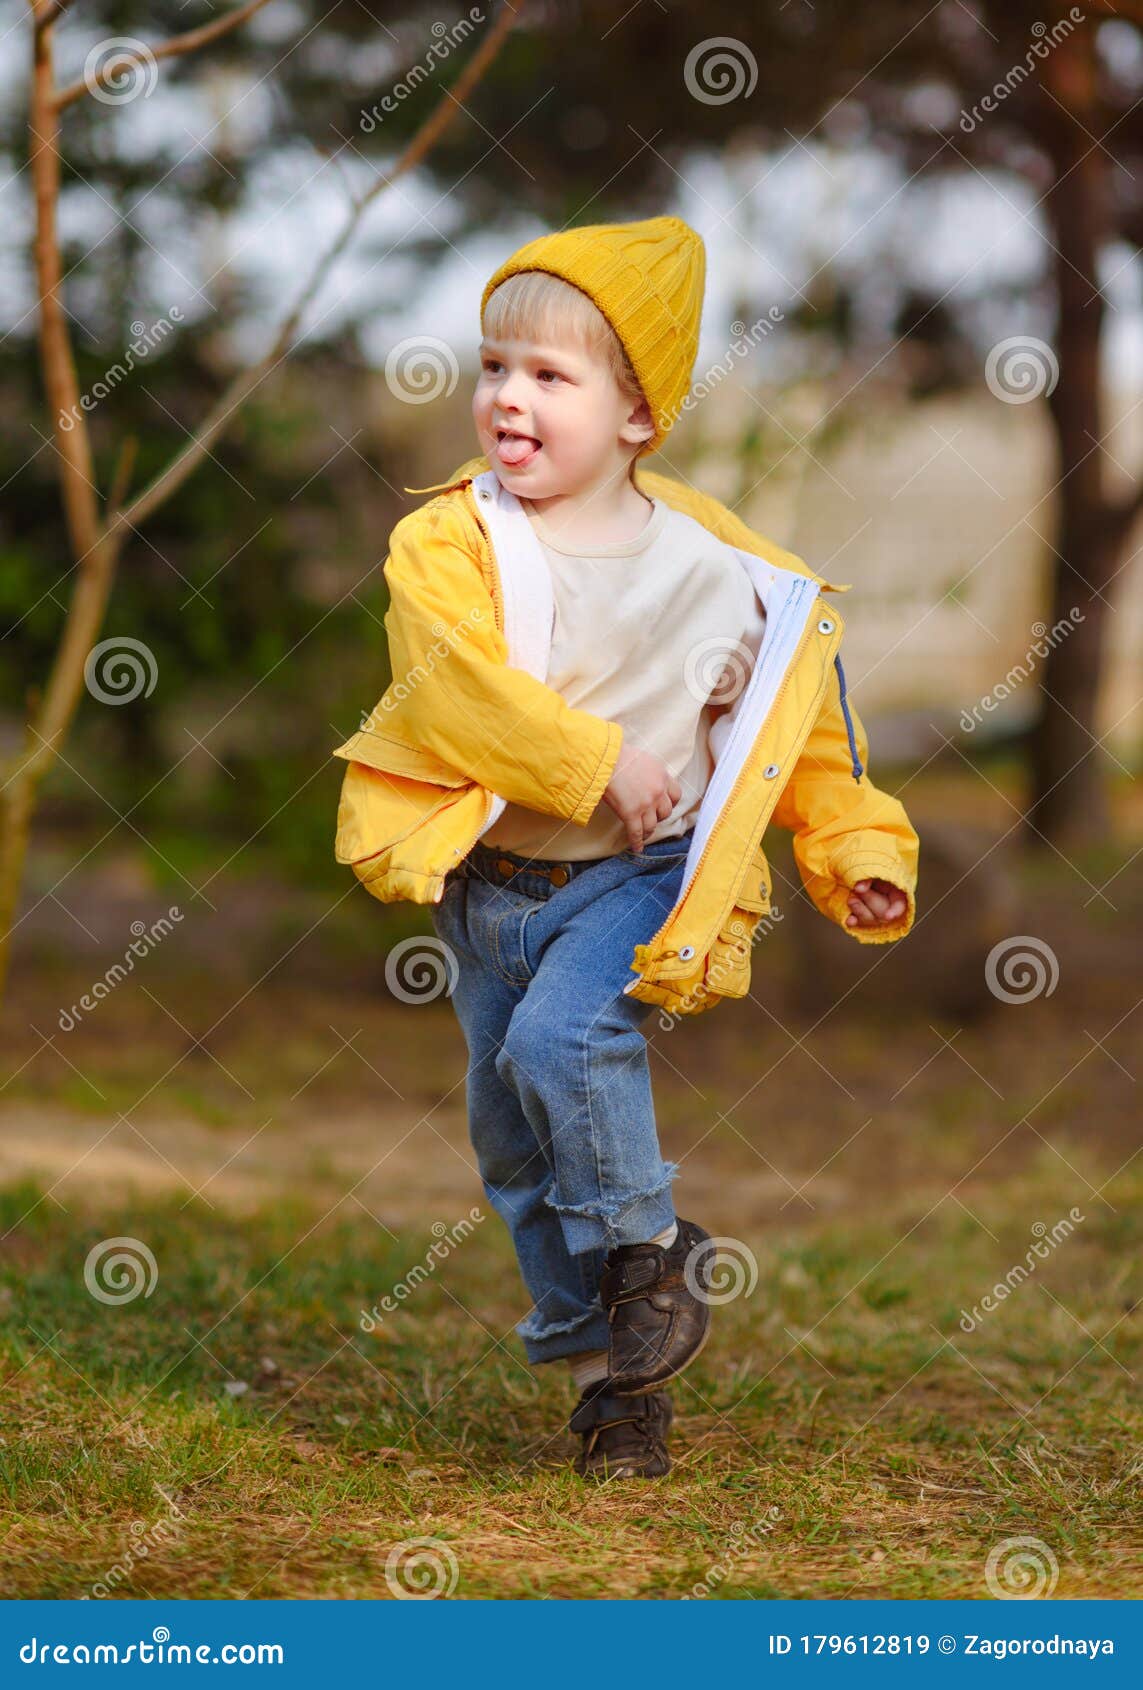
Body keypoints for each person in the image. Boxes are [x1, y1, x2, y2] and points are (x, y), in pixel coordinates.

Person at [332, 214, 919, 1481]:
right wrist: (595, 758)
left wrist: (855, 845)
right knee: (513, 1137)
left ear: (639, 416)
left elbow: (807, 732)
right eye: (495, 366)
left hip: (637, 880)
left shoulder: (728, 572)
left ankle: (652, 1255)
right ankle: (617, 1386)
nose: (507, 397)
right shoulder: (454, 540)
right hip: (492, 890)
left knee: (562, 1042)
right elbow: (448, 687)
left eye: (551, 375)